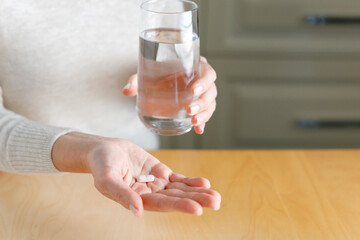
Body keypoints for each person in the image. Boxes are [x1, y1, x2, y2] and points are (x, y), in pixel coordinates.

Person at [0, 0, 220, 217]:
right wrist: (87, 150)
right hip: (28, 192)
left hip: (144, 181)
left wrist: (187, 80)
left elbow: (168, 59)